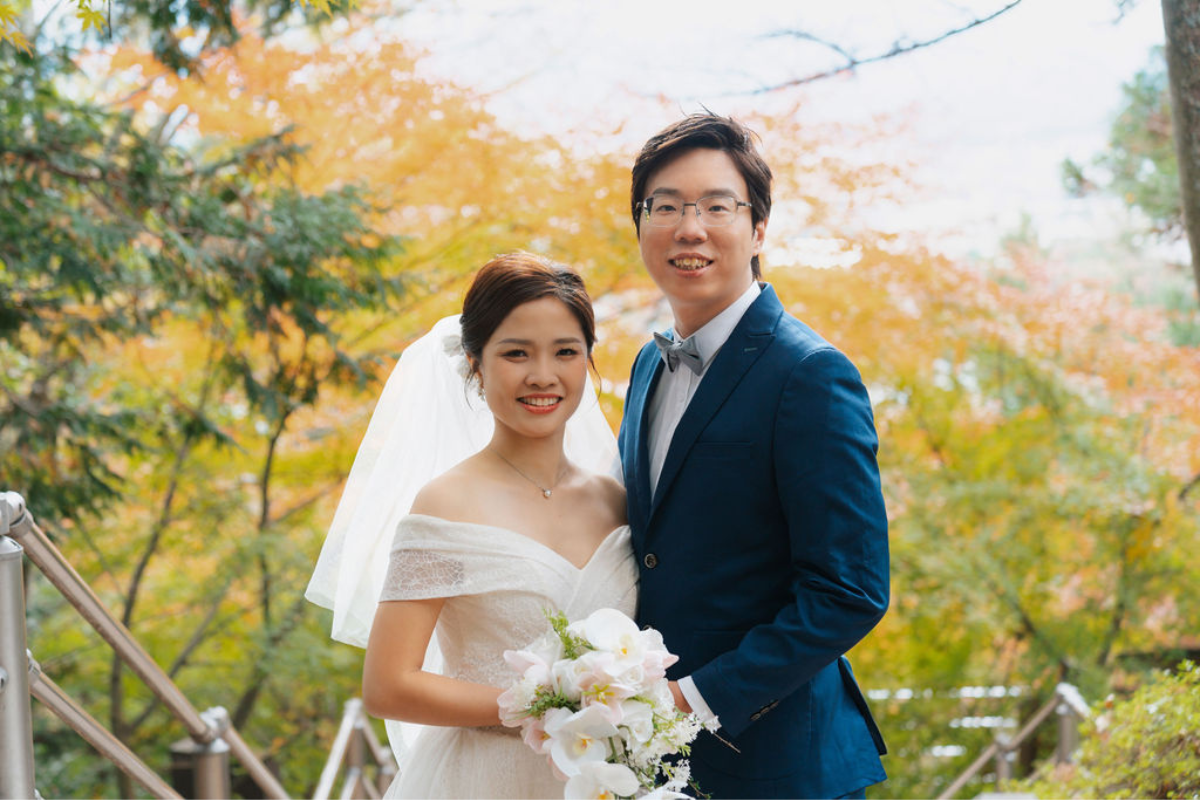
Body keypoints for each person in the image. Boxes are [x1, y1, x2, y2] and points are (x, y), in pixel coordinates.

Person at [616, 114, 890, 799]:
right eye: (667, 207)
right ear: (642, 224)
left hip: (779, 765)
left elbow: (850, 590)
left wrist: (693, 701)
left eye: (716, 206)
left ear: (759, 228)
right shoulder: (647, 368)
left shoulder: (810, 373)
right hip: (656, 768)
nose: (690, 228)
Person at [306, 253, 635, 799]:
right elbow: (389, 686)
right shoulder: (446, 503)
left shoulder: (616, 501)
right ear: (475, 363)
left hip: (604, 780)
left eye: (565, 352)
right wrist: (553, 707)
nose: (543, 375)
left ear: (588, 361)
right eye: (516, 353)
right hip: (485, 778)